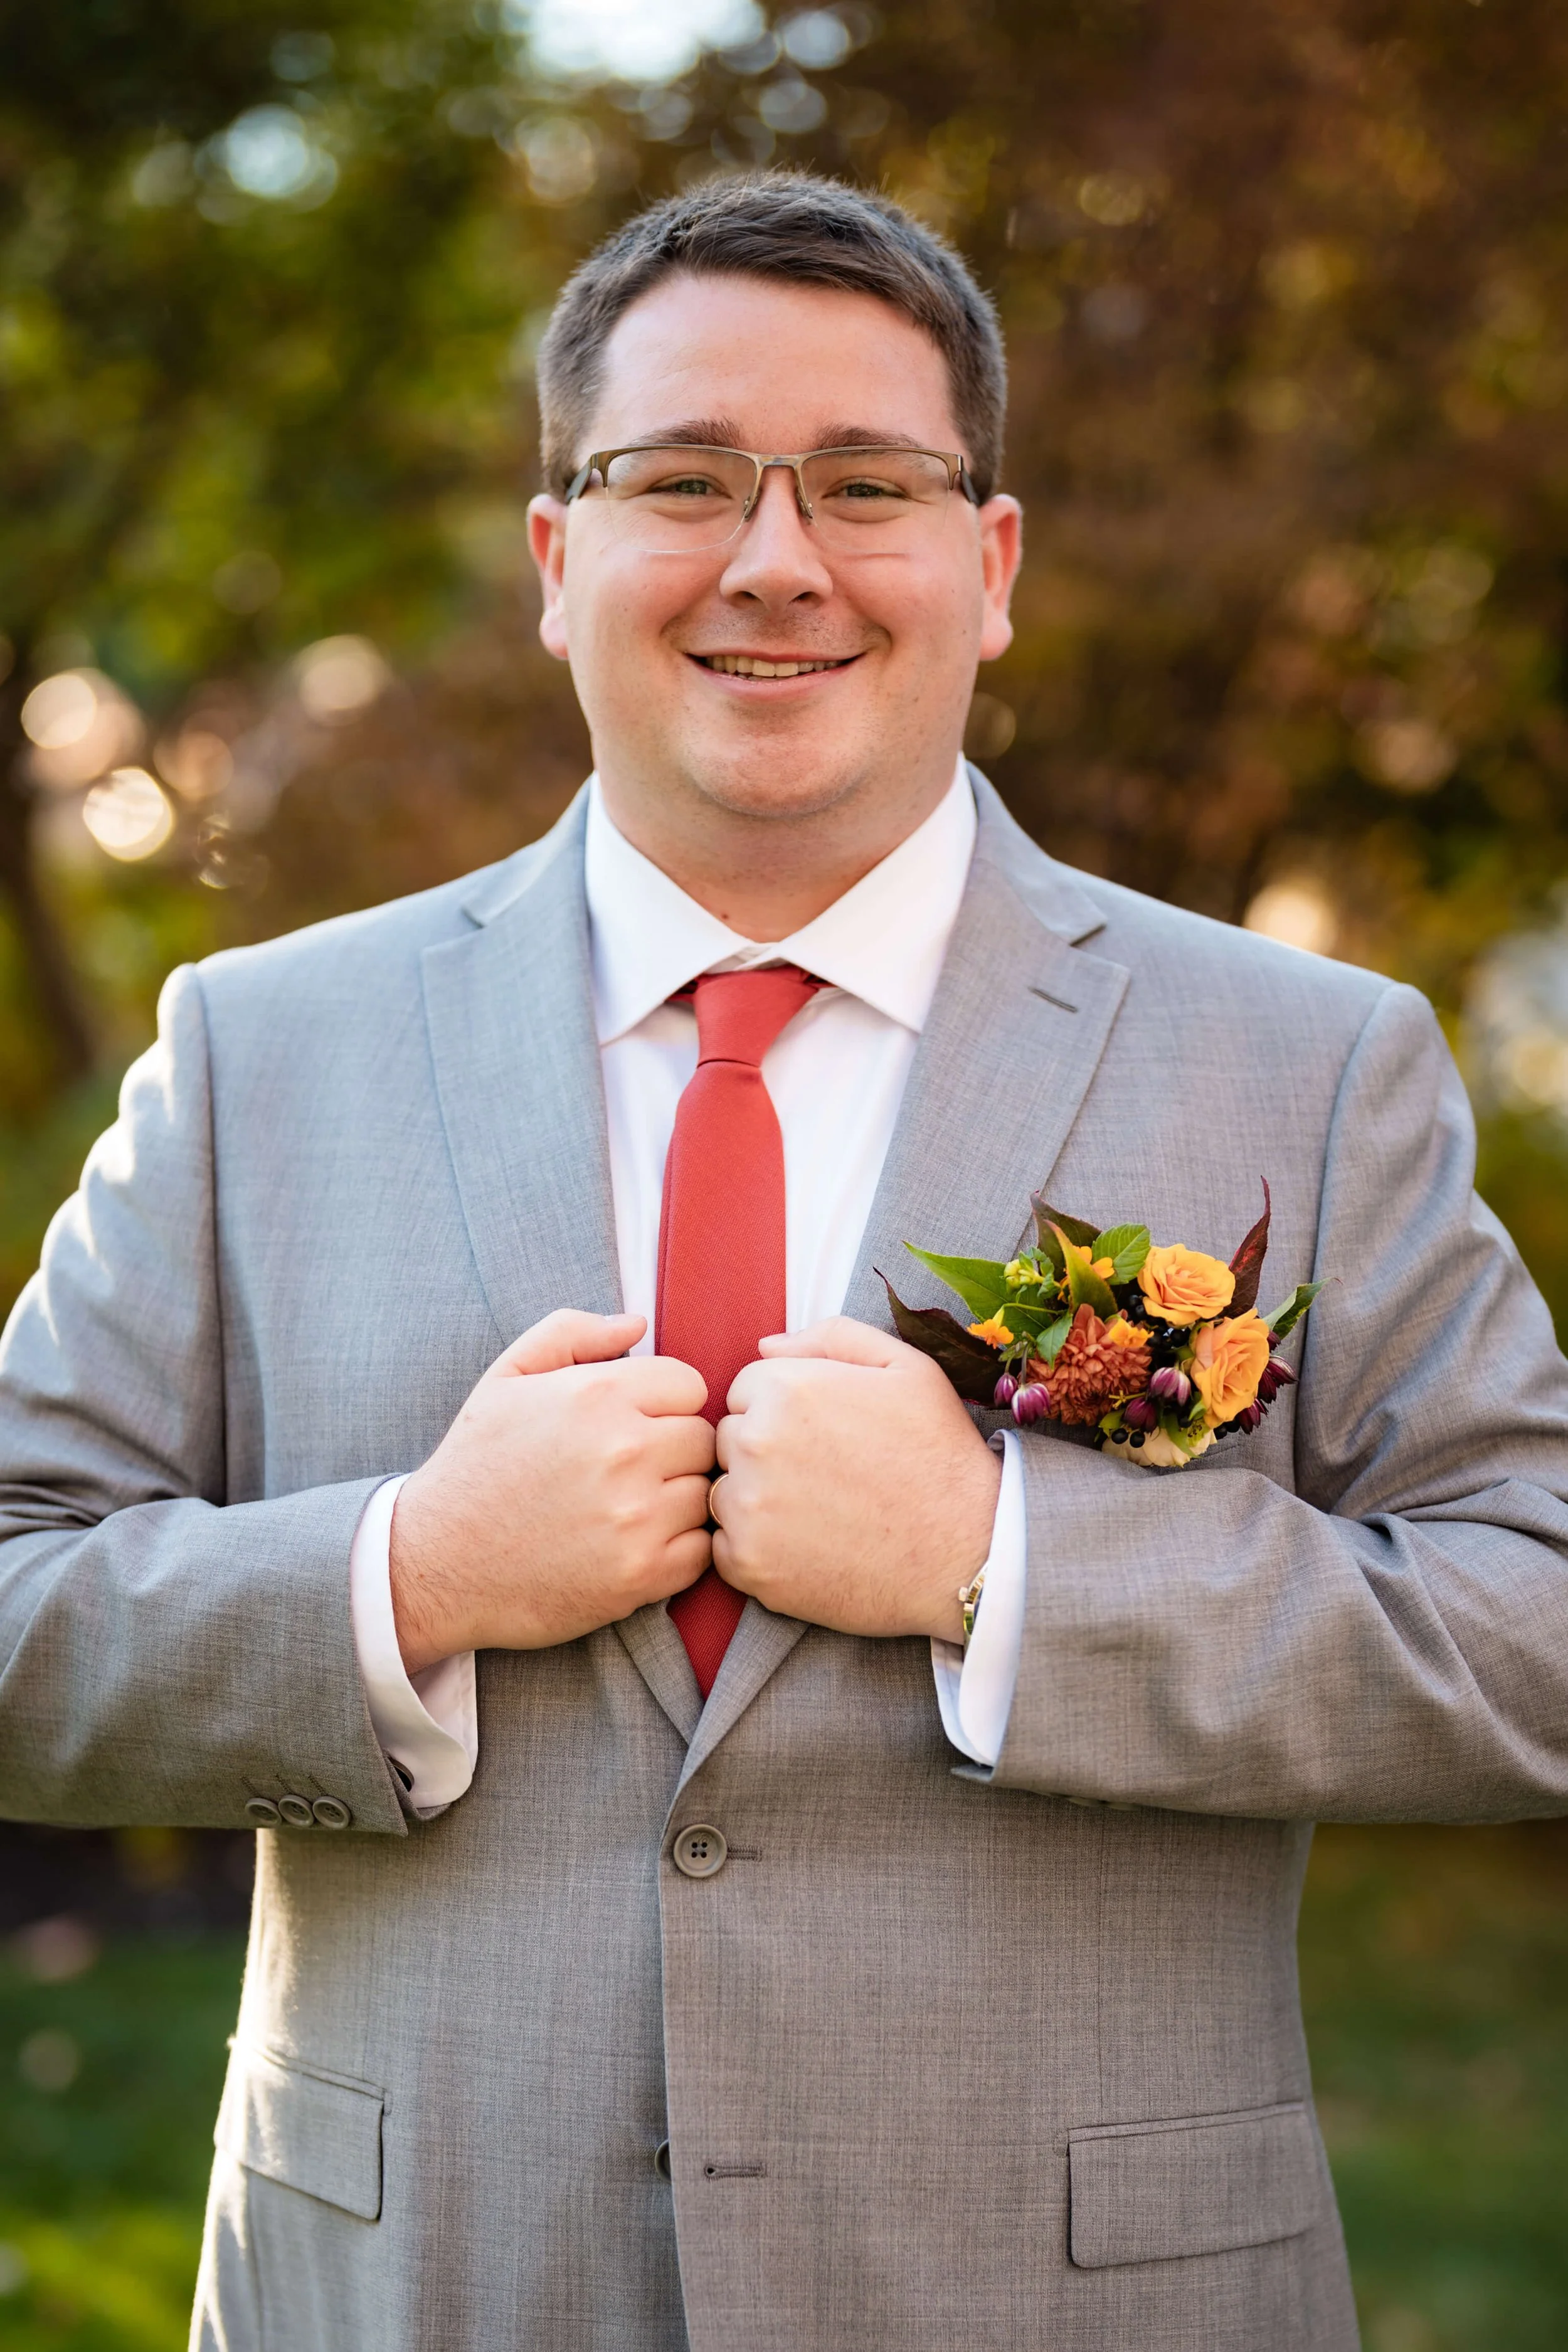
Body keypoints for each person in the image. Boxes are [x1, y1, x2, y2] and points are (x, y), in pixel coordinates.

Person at [2, 170, 1566, 2352]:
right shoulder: (262, 1052)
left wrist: (1005, 1566)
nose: (773, 556)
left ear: (989, 564)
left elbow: (1535, 1621)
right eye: (681, 480)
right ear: (558, 560)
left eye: (864, 482)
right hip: (427, 2289)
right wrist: (407, 1580)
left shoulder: (1303, 1063)